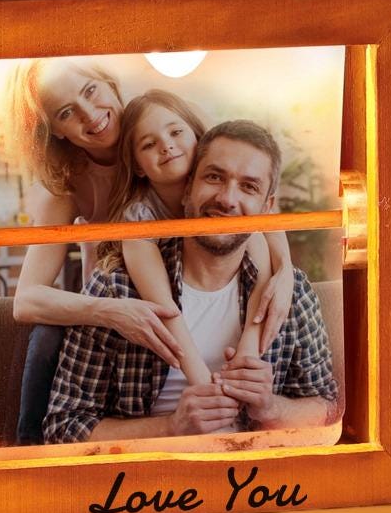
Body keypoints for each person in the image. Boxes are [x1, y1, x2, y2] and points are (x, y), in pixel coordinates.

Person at [42, 120, 339, 445]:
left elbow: (328, 410)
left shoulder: (289, 292)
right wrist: (171, 427)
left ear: (267, 208)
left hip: (255, 472)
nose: (227, 199)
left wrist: (270, 408)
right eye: (214, 177)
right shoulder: (117, 287)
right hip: (152, 474)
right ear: (187, 190)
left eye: (249, 187)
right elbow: (63, 428)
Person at [6, 59, 185, 444]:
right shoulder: (67, 186)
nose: (89, 115)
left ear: (109, 82)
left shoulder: (160, 129)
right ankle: (29, 455)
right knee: (46, 337)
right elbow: (26, 299)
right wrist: (111, 311)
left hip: (181, 295)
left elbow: (242, 188)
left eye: (90, 90)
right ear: (55, 131)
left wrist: (284, 266)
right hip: (119, 306)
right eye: (66, 113)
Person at [110, 91, 294, 398]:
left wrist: (285, 273)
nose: (166, 145)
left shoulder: (226, 194)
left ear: (196, 137)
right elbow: (163, 305)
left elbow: (261, 232)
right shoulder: (139, 216)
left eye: (175, 132)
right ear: (138, 165)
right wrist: (202, 382)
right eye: (148, 144)